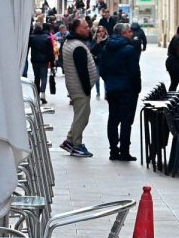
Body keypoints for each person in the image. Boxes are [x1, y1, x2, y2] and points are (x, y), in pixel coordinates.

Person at [97, 23, 143, 161]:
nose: (132, 34)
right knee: (126, 121)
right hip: (127, 90)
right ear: (123, 34)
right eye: (129, 32)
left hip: (112, 88)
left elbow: (103, 70)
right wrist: (136, 87)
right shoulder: (129, 49)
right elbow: (135, 72)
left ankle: (113, 151)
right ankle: (124, 151)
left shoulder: (106, 48)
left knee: (113, 119)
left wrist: (110, 81)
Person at [60, 19, 96, 157]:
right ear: (77, 29)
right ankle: (77, 145)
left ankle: (69, 141)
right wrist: (87, 89)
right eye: (86, 27)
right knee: (82, 117)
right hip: (80, 88)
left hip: (75, 87)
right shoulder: (77, 46)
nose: (89, 29)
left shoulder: (70, 43)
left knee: (80, 115)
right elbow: (82, 71)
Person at [27, 24, 55, 103]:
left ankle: (37, 94)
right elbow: (50, 52)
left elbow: (27, 48)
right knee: (44, 77)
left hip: (35, 60)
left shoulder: (31, 38)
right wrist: (52, 63)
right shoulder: (47, 38)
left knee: (37, 77)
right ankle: (43, 94)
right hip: (44, 60)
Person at [165, 24, 179, 91]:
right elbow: (177, 51)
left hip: (173, 62)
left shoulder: (178, 37)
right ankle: (171, 96)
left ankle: (172, 96)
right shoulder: (178, 38)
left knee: (175, 82)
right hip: (173, 63)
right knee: (175, 81)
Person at [91, 25, 109, 98]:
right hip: (97, 61)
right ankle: (98, 92)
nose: (101, 33)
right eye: (99, 31)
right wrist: (97, 43)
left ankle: (106, 93)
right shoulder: (94, 40)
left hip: (105, 62)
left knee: (106, 78)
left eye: (102, 31)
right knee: (96, 78)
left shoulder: (108, 40)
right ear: (97, 32)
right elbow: (92, 50)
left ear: (105, 32)